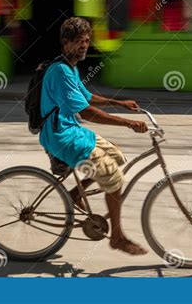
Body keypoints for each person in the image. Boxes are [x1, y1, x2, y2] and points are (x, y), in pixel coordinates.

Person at [39, 17, 149, 255]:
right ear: (66, 43)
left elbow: (86, 97)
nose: (84, 45)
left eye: (87, 41)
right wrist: (128, 123)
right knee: (112, 175)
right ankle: (117, 238)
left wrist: (119, 103)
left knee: (116, 155)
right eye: (79, 41)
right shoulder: (60, 71)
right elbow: (87, 112)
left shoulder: (70, 67)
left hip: (71, 130)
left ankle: (75, 193)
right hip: (61, 135)